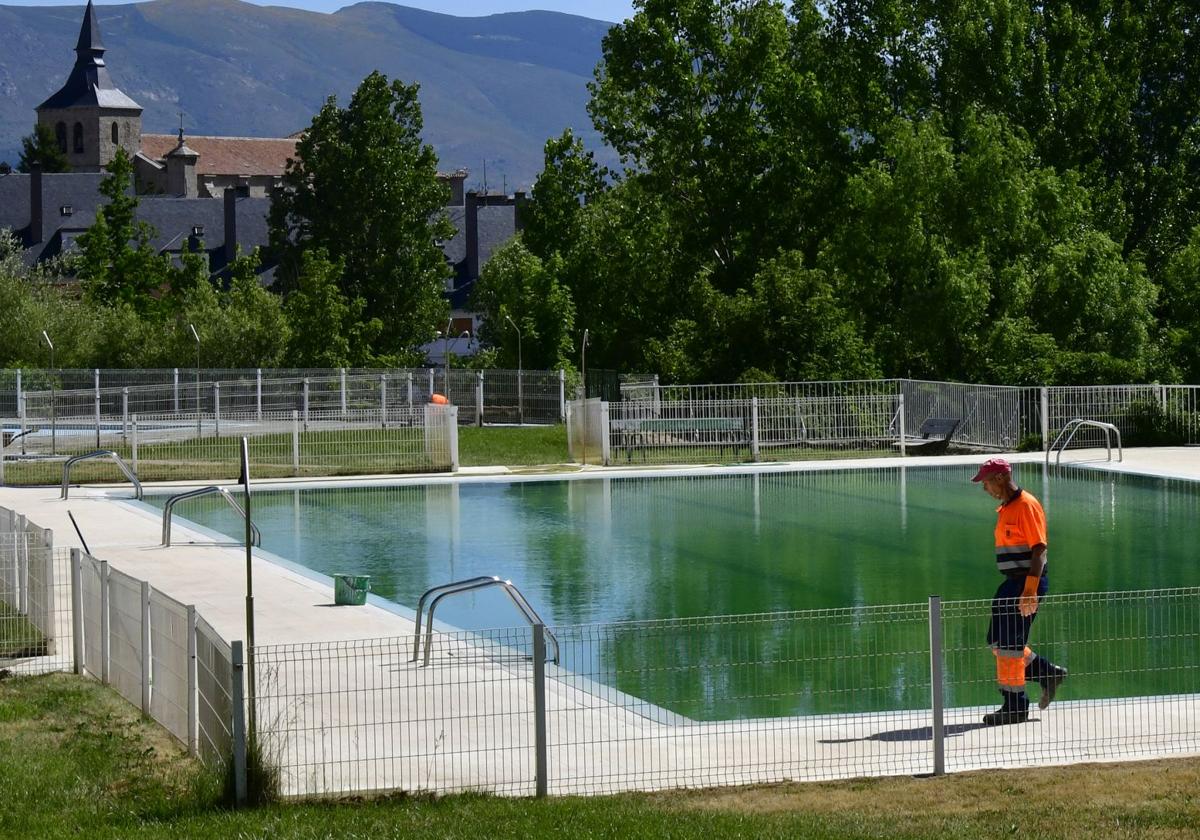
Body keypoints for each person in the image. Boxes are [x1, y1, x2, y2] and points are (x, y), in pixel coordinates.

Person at [972, 458, 1068, 725]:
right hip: (1011, 583)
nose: (985, 488)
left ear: (1000, 478)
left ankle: (1015, 706)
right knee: (997, 641)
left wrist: (1030, 590)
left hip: (1025, 584)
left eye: (987, 482)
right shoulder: (1006, 508)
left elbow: (1039, 549)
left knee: (1010, 647)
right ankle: (1047, 672)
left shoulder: (1026, 505)